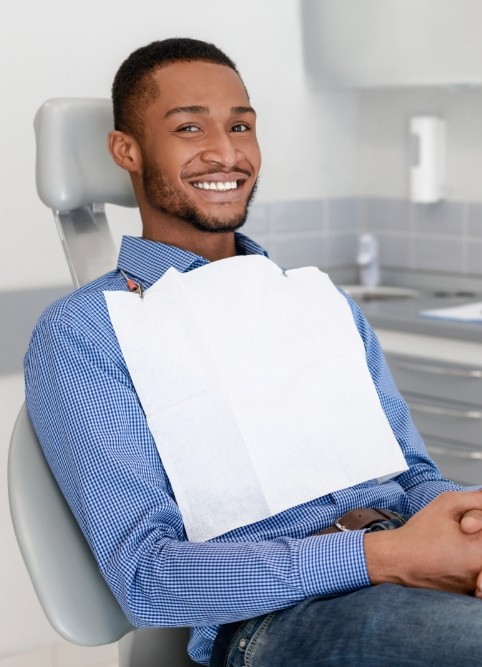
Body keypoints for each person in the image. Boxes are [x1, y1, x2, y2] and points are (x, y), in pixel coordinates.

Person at [25, 37, 482, 666]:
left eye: (241, 126)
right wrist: (385, 557)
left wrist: (464, 526)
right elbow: (148, 579)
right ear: (126, 150)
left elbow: (411, 474)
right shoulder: (83, 334)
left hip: (404, 557)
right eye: (189, 127)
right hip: (276, 619)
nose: (227, 151)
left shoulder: (318, 302)